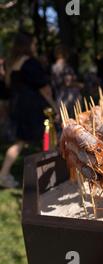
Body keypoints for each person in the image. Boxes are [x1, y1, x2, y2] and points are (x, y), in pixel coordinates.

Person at [0, 32, 56, 188]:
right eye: (33, 43)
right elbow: (44, 88)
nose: (35, 46)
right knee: (47, 141)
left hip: (18, 109)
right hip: (34, 110)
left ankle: (4, 174)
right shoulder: (30, 63)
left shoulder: (11, 65)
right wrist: (55, 106)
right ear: (27, 45)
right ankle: (47, 178)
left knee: (21, 142)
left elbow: (7, 90)